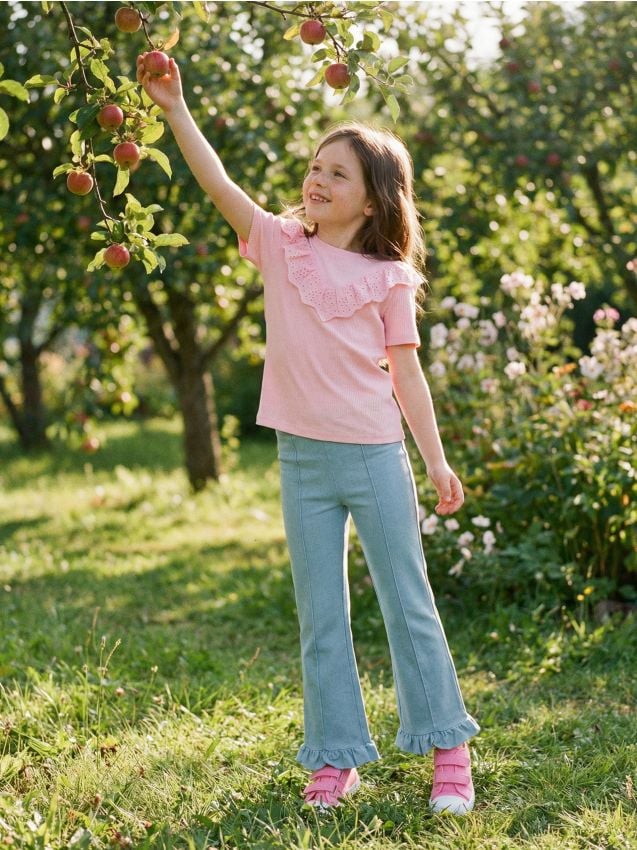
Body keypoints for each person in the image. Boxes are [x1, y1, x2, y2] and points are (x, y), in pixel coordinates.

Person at [138, 53, 480, 815]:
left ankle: (447, 747)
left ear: (371, 202)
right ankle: (335, 756)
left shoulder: (390, 278)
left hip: (374, 457)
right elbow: (219, 185)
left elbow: (406, 376)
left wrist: (434, 460)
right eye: (315, 166)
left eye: (338, 174)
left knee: (407, 603)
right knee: (320, 615)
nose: (316, 180)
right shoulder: (278, 244)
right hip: (301, 461)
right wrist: (173, 110)